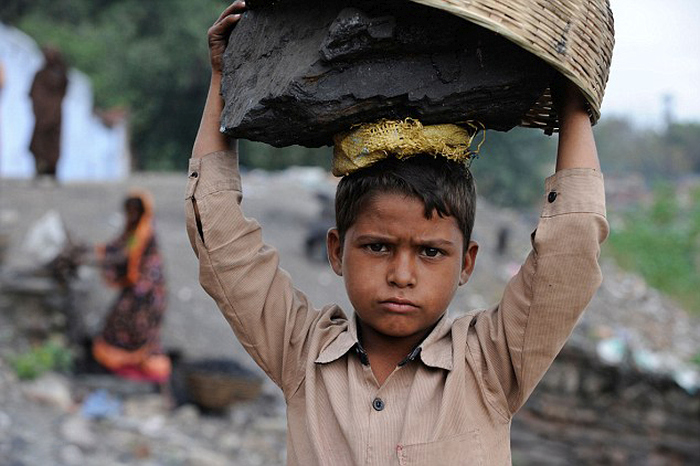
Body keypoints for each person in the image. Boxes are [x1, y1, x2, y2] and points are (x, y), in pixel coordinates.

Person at [185, 2, 608, 464]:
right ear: (336, 250)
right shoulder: (301, 354)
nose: (402, 275)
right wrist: (222, 81)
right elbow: (220, 236)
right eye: (378, 247)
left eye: (430, 252)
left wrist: (572, 101)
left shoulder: (491, 363)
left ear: (466, 262)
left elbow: (571, 249)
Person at [92, 189, 171, 384]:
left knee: (140, 326)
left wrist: (106, 258)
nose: (133, 215)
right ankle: (122, 365)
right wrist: (100, 253)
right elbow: (118, 247)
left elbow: (127, 255)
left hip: (147, 293)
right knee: (120, 321)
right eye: (130, 211)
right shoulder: (132, 230)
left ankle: (144, 369)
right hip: (136, 290)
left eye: (136, 211)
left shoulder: (144, 232)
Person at [29, 46, 68, 180]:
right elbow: (32, 93)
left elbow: (63, 92)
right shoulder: (40, 75)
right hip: (41, 116)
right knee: (39, 145)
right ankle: (40, 169)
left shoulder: (60, 75)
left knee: (52, 144)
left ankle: (51, 170)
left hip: (54, 116)